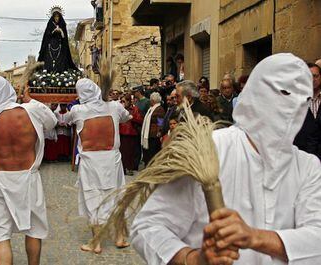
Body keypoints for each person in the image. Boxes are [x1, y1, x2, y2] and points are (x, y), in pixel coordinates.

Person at [130, 53, 321, 265]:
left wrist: (253, 237)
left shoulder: (308, 167)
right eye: (285, 93)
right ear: (257, 91)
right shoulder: (207, 150)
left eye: (304, 99)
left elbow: (317, 237)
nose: (294, 107)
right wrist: (194, 259)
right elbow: (149, 228)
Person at [0, 75, 57, 265]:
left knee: (0, 235)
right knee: (34, 229)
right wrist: (29, 100)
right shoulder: (32, 110)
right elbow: (52, 122)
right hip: (27, 177)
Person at [65, 78, 131, 254]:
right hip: (111, 160)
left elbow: (66, 119)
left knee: (92, 198)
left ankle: (97, 242)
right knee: (116, 195)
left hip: (91, 161)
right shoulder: (114, 106)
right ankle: (119, 237)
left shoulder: (78, 110)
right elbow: (126, 117)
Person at [38, 6, 78, 73]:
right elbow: (47, 35)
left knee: (61, 60)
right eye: (55, 16)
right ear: (53, 17)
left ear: (60, 17)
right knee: (48, 60)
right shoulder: (50, 24)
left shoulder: (62, 24)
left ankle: (61, 72)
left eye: (58, 16)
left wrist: (61, 31)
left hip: (60, 46)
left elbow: (64, 37)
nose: (56, 18)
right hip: (50, 46)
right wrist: (54, 31)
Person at [294, 63, 321, 159]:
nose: (312, 80)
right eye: (308, 76)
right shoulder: (296, 100)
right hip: (301, 155)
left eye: (315, 76)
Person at [119, 94, 143, 175]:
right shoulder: (120, 109)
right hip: (121, 132)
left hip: (131, 132)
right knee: (122, 152)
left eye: (124, 101)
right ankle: (122, 168)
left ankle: (129, 168)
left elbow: (139, 120)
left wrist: (132, 117)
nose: (122, 103)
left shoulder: (134, 109)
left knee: (130, 152)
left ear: (128, 101)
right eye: (121, 101)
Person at [141, 92, 165, 166]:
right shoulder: (151, 109)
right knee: (148, 152)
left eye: (151, 100)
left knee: (152, 152)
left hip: (154, 135)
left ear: (153, 101)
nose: (150, 102)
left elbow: (160, 122)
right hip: (149, 134)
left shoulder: (159, 109)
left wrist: (159, 131)